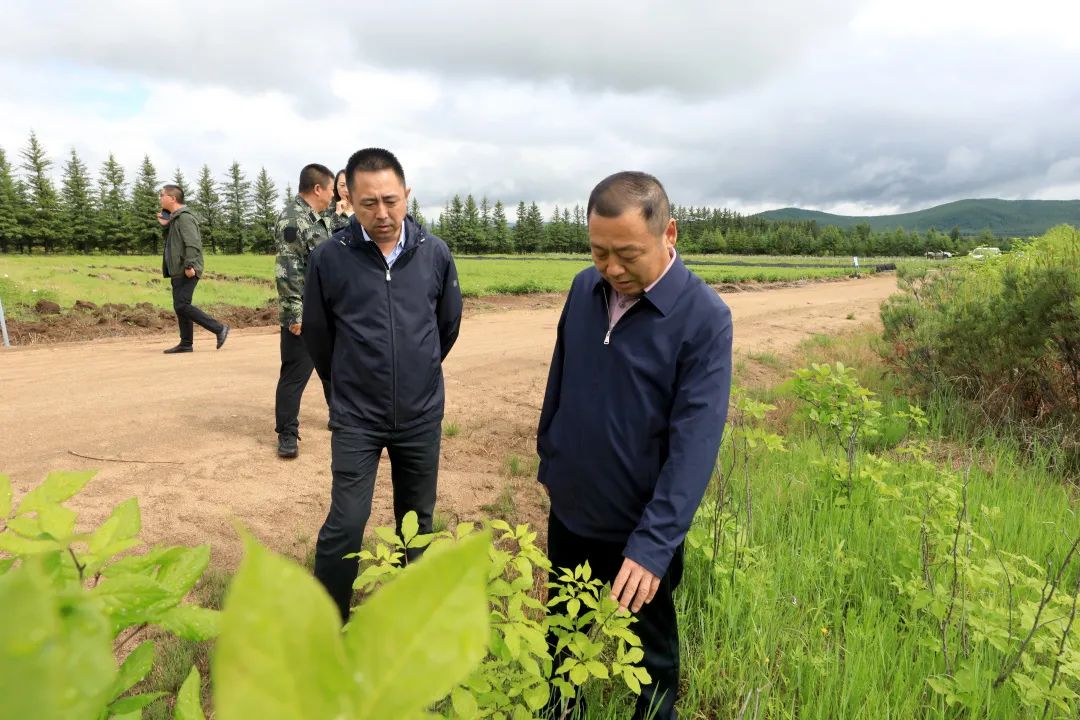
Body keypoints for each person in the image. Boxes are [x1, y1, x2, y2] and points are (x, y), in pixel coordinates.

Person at [537, 172, 733, 720]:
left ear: (669, 233)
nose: (613, 269)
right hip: (572, 507)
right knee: (563, 632)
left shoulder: (703, 318)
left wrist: (653, 545)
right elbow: (562, 375)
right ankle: (558, 710)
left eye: (627, 254)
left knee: (649, 659)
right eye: (599, 252)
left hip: (639, 526)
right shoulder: (583, 288)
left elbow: (695, 444)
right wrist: (549, 455)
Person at [303, 148, 463, 621]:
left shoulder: (434, 255)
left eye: (391, 200)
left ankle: (416, 619)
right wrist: (346, 387)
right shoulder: (330, 258)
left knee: (417, 523)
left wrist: (419, 371)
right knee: (347, 523)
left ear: (407, 194)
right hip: (358, 418)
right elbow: (318, 334)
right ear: (348, 198)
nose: (383, 213)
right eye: (369, 203)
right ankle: (329, 623)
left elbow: (446, 326)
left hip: (419, 416)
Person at [273, 163, 338, 458]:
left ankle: (339, 416)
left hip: (326, 310)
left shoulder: (319, 217)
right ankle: (287, 433)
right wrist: (295, 314)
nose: (333, 195)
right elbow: (287, 271)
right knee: (295, 374)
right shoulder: (293, 220)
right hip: (304, 313)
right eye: (331, 189)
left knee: (332, 368)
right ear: (318, 189)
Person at [158, 185, 229, 354]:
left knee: (182, 305)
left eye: (162, 195)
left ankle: (219, 328)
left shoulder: (185, 218)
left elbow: (193, 243)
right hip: (178, 269)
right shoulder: (176, 219)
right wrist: (166, 225)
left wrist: (190, 265)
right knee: (180, 306)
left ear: (172, 198)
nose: (160, 198)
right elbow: (173, 242)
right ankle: (186, 343)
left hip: (187, 269)